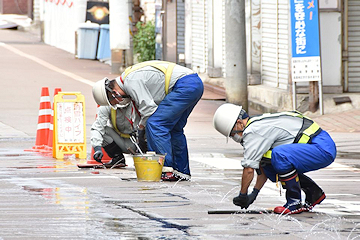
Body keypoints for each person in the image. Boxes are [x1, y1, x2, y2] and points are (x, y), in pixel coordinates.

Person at [213, 103, 337, 214]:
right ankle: (313, 193)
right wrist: (254, 194)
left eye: (232, 133)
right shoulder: (257, 123)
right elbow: (263, 166)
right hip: (319, 145)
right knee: (270, 165)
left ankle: (294, 202)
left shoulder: (253, 131)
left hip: (321, 148)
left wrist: (243, 194)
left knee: (279, 155)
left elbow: (249, 168)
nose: (235, 137)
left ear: (239, 123)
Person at [92, 61, 204, 181]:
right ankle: (181, 172)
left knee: (156, 124)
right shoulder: (129, 80)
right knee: (175, 129)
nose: (119, 103)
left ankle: (165, 169)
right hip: (194, 84)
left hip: (183, 85)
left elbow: (148, 110)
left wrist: (141, 129)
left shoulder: (131, 81)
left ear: (114, 93)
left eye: (115, 102)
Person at [91, 100, 143, 168]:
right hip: (122, 141)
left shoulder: (138, 102)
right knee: (104, 130)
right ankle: (118, 158)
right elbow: (97, 128)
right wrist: (97, 148)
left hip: (139, 142)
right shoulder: (107, 106)